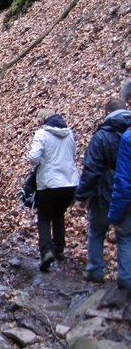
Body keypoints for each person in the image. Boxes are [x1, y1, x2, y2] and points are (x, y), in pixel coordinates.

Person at [75, 99, 130, 283]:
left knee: (97, 231)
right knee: (125, 236)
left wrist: (82, 196)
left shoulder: (101, 136)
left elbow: (91, 168)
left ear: (107, 113)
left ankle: (95, 271)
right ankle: (125, 278)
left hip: (103, 191)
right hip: (127, 191)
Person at [28, 109, 80, 272]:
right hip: (70, 182)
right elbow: (73, 155)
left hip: (49, 182)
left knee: (43, 218)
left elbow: (33, 158)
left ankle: (46, 251)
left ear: (42, 120)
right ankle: (59, 249)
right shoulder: (69, 133)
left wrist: (44, 161)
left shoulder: (42, 134)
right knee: (59, 215)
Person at [107, 117, 131, 291]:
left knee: (125, 237)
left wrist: (115, 215)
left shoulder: (128, 138)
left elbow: (123, 179)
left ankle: (126, 283)